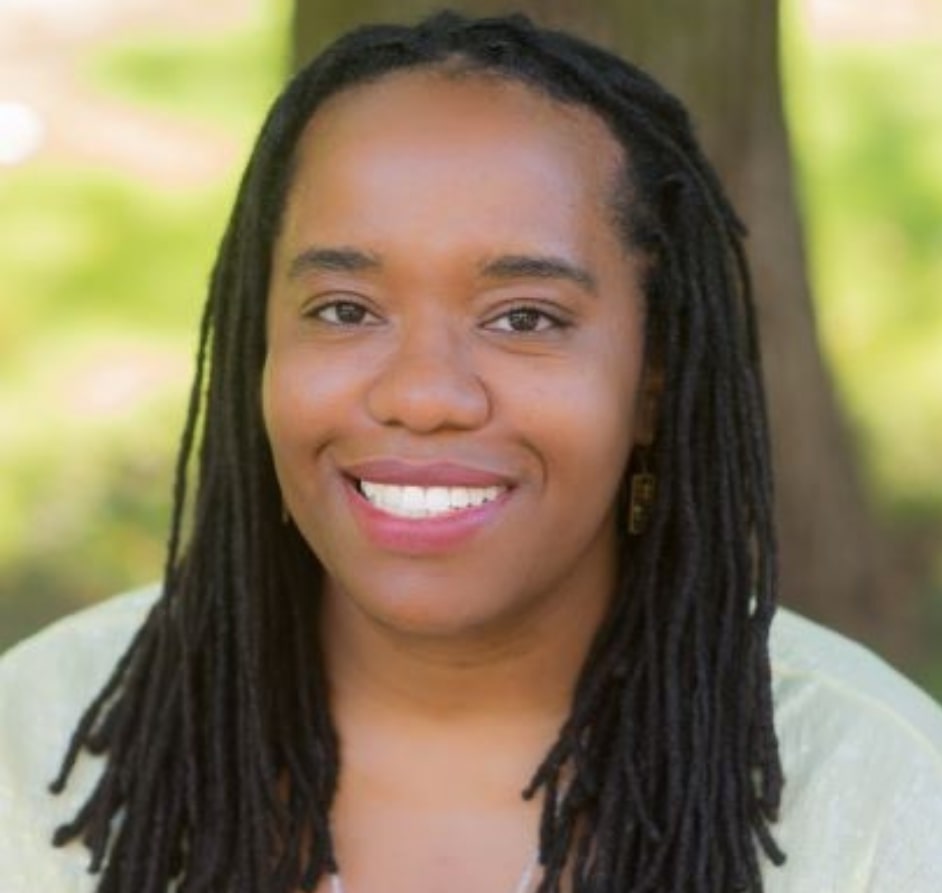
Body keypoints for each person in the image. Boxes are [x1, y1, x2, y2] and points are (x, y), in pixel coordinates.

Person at [1, 10, 940, 893]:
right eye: (344, 310)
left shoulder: (876, 802)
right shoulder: (34, 748)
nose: (421, 393)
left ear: (652, 378)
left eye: (524, 316)